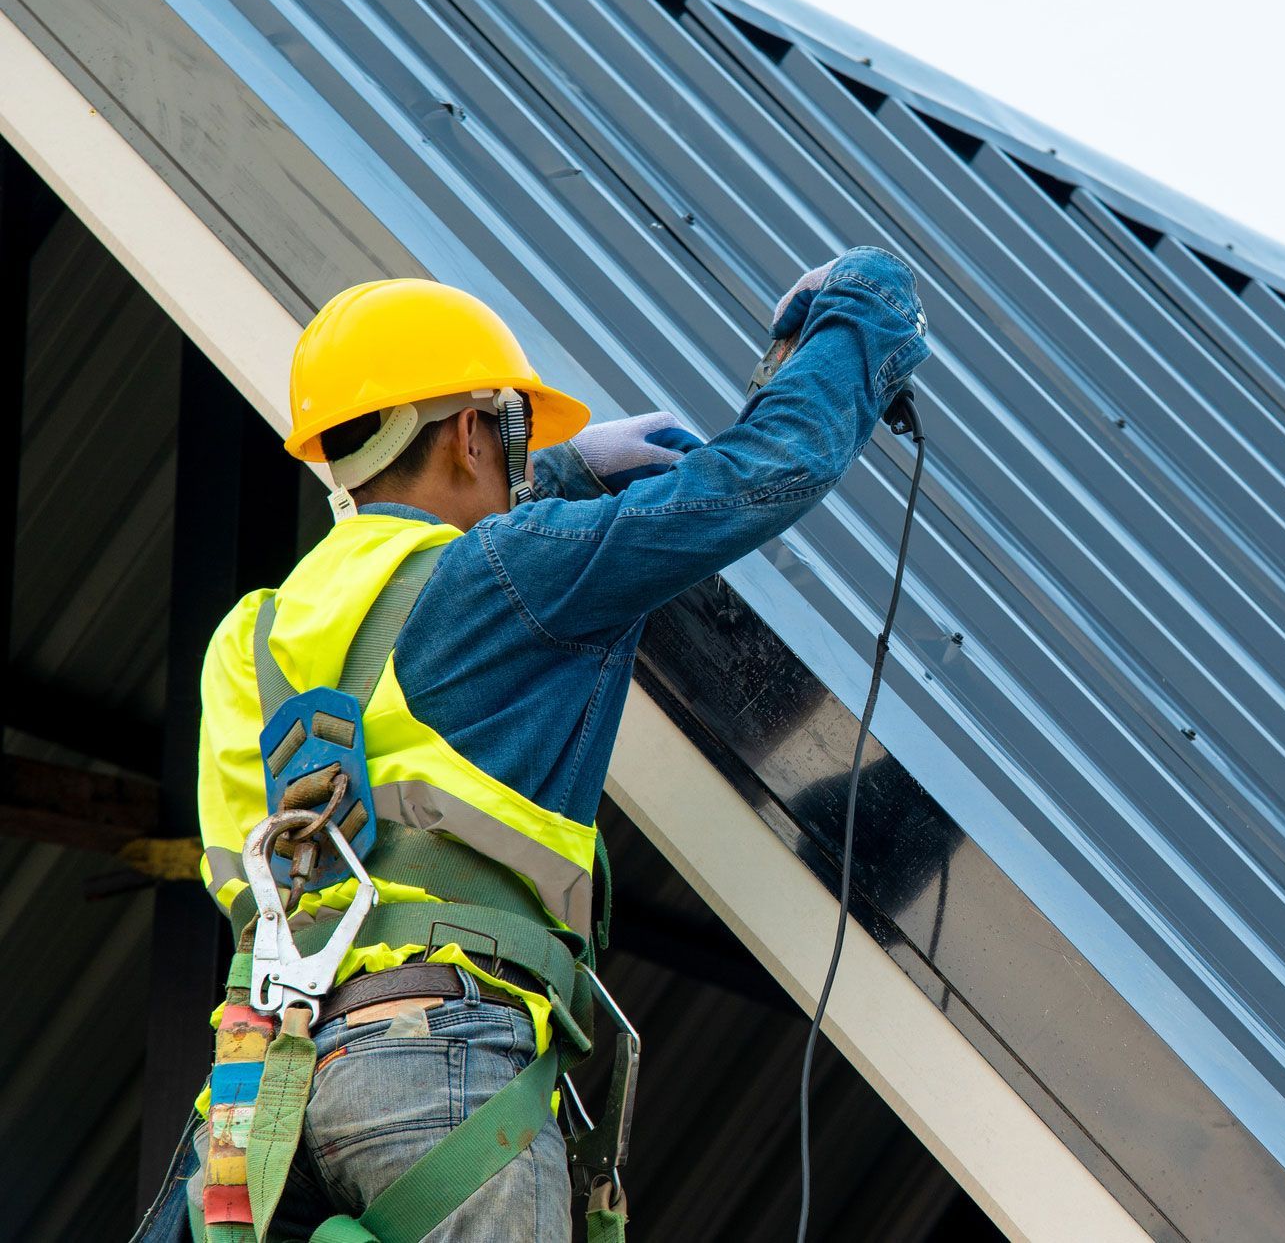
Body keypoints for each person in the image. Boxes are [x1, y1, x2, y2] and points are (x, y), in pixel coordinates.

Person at [134, 246, 929, 1242]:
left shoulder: (245, 640)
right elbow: (760, 475)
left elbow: (405, 598)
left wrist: (556, 475)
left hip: (256, 1108)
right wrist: (864, 317)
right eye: (511, 435)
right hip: (441, 1062)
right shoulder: (509, 579)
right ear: (472, 431)